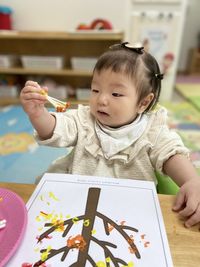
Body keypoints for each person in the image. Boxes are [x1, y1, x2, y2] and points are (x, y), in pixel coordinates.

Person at [20, 42, 200, 228]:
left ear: (143, 103)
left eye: (116, 94)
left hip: (128, 209)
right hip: (77, 200)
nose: (101, 99)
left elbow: (171, 153)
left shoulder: (152, 130)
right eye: (95, 90)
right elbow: (56, 129)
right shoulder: (84, 120)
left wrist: (192, 181)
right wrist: (38, 114)